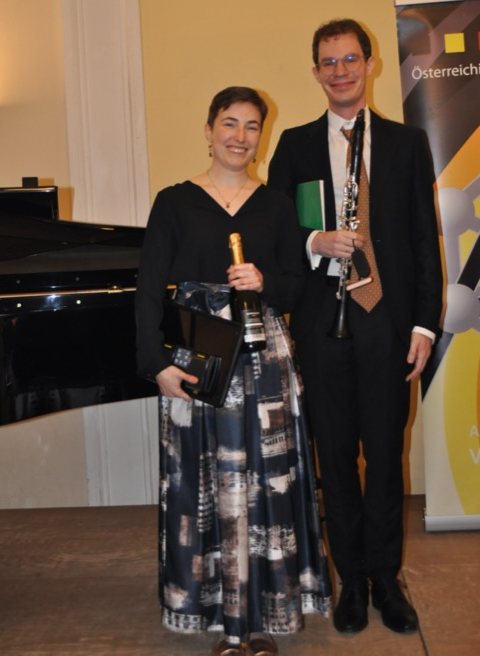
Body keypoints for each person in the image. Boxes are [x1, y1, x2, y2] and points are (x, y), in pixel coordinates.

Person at [135, 86, 332, 656]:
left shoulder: (275, 205)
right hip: (196, 356)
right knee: (204, 486)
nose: (240, 136)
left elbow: (297, 286)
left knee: (266, 486)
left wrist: (265, 282)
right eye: (229, 123)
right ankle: (222, 622)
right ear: (208, 130)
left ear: (260, 138)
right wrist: (157, 365)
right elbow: (148, 289)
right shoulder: (175, 201)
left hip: (264, 360)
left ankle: (263, 618)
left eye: (251, 126)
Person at [268, 20, 443, 636]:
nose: (339, 71)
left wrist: (424, 326)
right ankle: (352, 581)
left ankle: (387, 582)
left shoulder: (407, 143)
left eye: (349, 59)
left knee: (387, 459)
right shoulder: (293, 145)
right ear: (315, 72)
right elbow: (274, 234)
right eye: (328, 62)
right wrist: (314, 240)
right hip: (322, 327)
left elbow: (424, 241)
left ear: (369, 64)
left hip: (389, 325)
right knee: (336, 459)